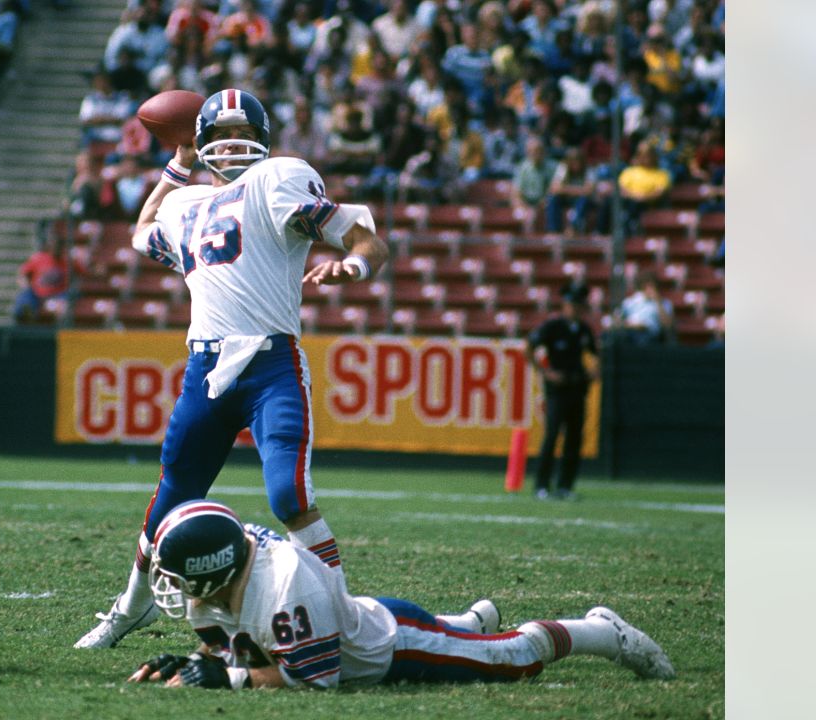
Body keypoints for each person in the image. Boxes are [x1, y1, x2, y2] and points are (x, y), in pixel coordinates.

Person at [74, 88, 389, 649]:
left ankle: (341, 615)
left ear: (266, 141)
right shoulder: (183, 202)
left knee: (289, 496)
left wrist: (355, 266)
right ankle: (129, 608)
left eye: (242, 134)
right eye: (218, 135)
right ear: (199, 142)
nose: (232, 144)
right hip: (206, 367)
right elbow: (142, 227)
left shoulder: (279, 179)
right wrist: (177, 165)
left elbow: (367, 238)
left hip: (271, 364)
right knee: (170, 497)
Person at [128, 500, 674, 690]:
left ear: (213, 567)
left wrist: (232, 678)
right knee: (443, 632)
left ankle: (602, 632)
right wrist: (194, 661)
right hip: (364, 617)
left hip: (387, 648)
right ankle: (467, 622)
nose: (169, 587)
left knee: (514, 659)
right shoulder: (226, 574)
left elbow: (314, 681)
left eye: (177, 575)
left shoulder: (283, 586)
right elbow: (235, 644)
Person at [526, 283, 598, 501]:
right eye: (571, 304)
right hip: (558, 390)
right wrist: (546, 372)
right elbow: (529, 348)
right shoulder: (553, 327)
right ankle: (541, 485)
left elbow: (595, 354)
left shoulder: (584, 330)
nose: (575, 309)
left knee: (574, 439)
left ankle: (565, 485)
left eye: (578, 305)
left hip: (578, 387)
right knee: (552, 435)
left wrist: (595, 370)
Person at [615, 272, 674, 346]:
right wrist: (627, 324)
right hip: (630, 333)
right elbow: (617, 320)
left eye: (652, 286)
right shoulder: (631, 301)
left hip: (651, 336)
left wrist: (657, 301)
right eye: (646, 287)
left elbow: (667, 325)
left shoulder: (665, 303)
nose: (649, 290)